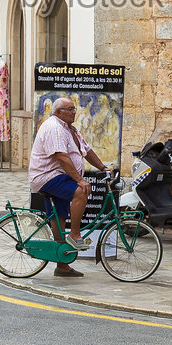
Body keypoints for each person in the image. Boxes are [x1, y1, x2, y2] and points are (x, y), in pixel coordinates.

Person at [27, 96, 109, 278]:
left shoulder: (70, 129)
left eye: (74, 108)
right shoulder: (54, 127)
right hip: (48, 176)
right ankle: (75, 235)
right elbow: (61, 157)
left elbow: (86, 150)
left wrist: (103, 167)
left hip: (59, 176)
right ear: (58, 112)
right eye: (70, 109)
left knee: (59, 218)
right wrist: (80, 180)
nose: (74, 112)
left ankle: (62, 265)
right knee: (81, 192)